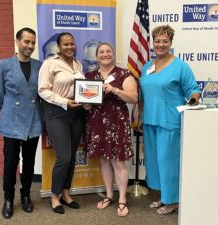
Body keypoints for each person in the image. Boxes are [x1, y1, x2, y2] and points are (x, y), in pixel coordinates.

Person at [139, 25, 201, 215]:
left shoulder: (181, 66)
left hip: (169, 121)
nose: (161, 44)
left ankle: (173, 201)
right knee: (155, 162)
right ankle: (163, 196)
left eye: (165, 41)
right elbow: (143, 94)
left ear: (171, 43)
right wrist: (140, 117)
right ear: (152, 43)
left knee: (168, 162)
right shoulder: (147, 66)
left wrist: (192, 100)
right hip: (150, 121)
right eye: (157, 41)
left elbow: (193, 89)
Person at [0, 27, 43, 219]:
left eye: (33, 42)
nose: (30, 46)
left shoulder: (39, 66)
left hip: (33, 120)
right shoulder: (3, 65)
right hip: (12, 121)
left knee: (29, 162)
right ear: (17, 42)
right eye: (26, 42)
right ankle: (8, 198)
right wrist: (9, 112)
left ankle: (25, 195)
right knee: (11, 162)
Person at [83, 42, 138, 217]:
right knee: (104, 161)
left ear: (113, 54)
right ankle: (109, 194)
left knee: (119, 162)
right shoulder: (90, 75)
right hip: (97, 122)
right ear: (96, 55)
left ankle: (122, 199)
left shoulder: (123, 73)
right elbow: (87, 103)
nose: (105, 54)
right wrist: (85, 104)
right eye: (101, 52)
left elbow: (133, 98)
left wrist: (114, 90)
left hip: (117, 122)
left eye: (108, 51)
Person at [38, 32, 84, 214]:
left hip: (76, 113)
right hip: (56, 113)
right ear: (59, 47)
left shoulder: (78, 64)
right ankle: (54, 196)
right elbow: (42, 90)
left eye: (72, 44)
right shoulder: (50, 63)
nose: (70, 47)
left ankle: (66, 193)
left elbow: (83, 88)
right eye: (65, 44)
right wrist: (64, 101)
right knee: (64, 157)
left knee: (72, 157)